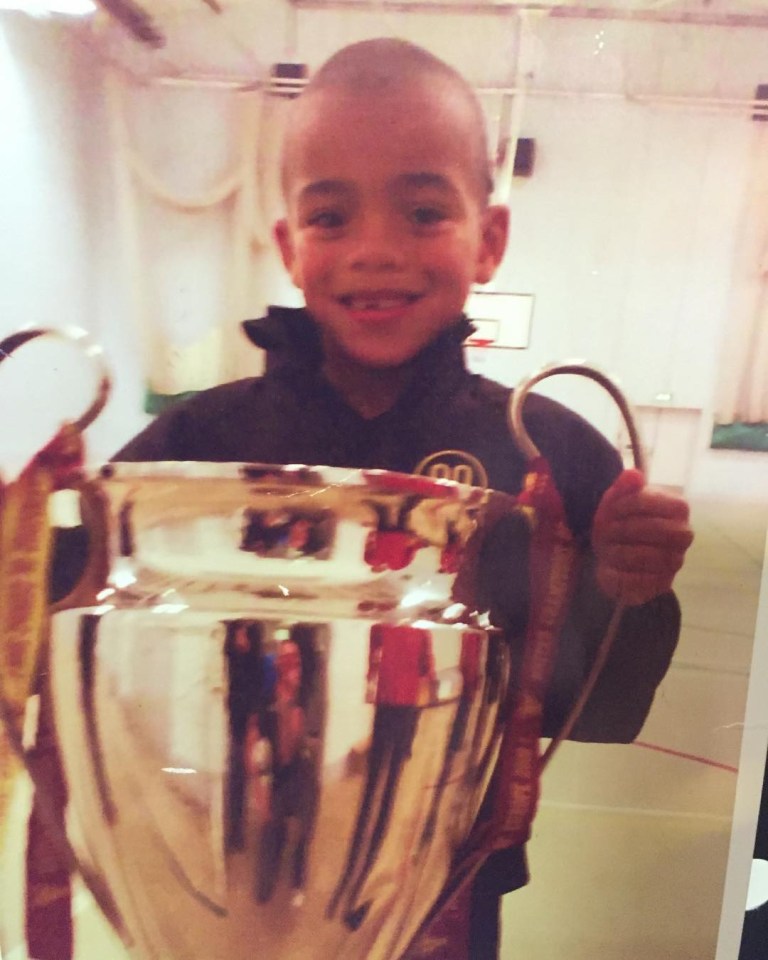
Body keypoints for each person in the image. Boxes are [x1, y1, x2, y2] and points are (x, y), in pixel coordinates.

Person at [115, 37, 693, 959]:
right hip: (242, 861)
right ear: (289, 248)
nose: (376, 250)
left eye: (424, 212)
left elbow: (604, 706)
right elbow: (69, 603)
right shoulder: (198, 447)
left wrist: (629, 588)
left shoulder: (550, 451)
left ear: (489, 239)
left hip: (452, 880)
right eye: (332, 217)